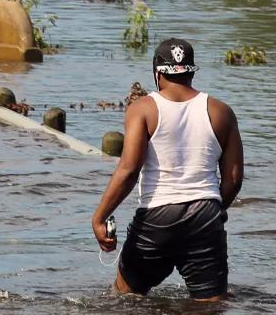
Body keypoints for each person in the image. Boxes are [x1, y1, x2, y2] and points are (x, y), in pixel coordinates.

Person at [91, 38, 244, 302]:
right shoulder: (221, 112)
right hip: (205, 214)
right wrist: (214, 212)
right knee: (210, 306)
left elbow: (128, 170)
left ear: (158, 73)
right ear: (191, 71)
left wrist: (100, 217)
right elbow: (233, 178)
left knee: (125, 300)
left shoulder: (142, 109)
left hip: (157, 217)